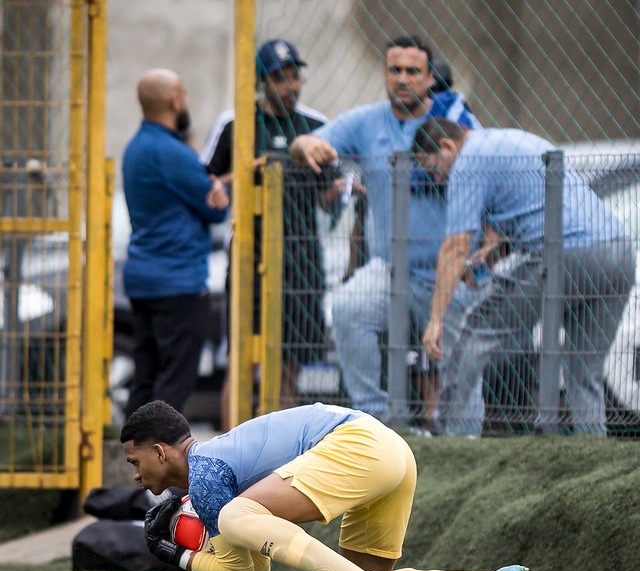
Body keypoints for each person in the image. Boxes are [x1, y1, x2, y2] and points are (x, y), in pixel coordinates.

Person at [120, 399, 547, 571]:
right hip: (392, 449)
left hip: (360, 443)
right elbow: (259, 568)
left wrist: (176, 553)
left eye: (135, 463)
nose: (136, 477)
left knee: (233, 517)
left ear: (160, 452)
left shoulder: (206, 474)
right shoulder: (213, 467)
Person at [290, 37, 484, 430]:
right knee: (347, 308)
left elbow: (487, 172)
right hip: (389, 269)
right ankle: (376, 425)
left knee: (460, 363)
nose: (403, 78)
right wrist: (305, 144)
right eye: (395, 70)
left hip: (449, 273)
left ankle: (462, 441)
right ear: (385, 74)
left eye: (413, 71)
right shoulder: (365, 122)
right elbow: (307, 142)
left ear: (430, 78)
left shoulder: (455, 121)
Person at [418, 118, 635, 435]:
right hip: (618, 255)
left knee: (476, 330)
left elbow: (454, 247)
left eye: (433, 168)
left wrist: (435, 319)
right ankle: (593, 450)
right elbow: (537, 202)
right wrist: (495, 246)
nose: (437, 178)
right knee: (583, 370)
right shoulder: (509, 140)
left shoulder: (468, 161)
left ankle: (449, 437)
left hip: (566, 255)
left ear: (447, 147)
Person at [201, 39, 340, 428]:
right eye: (281, 77)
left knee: (290, 359)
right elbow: (207, 179)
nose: (291, 85)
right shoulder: (236, 123)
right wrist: (253, 170)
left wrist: (341, 191)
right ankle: (230, 451)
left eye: (296, 76)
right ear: (263, 81)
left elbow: (331, 195)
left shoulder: (316, 125)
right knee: (243, 357)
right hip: (251, 253)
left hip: (301, 256)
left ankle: (278, 454)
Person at [121, 68, 229, 418]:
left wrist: (209, 185)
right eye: (184, 94)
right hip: (178, 282)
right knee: (175, 380)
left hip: (143, 281)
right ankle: (159, 461)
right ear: (175, 100)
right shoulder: (173, 152)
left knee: (146, 374)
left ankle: (133, 458)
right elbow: (214, 210)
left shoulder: (136, 147)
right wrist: (220, 190)